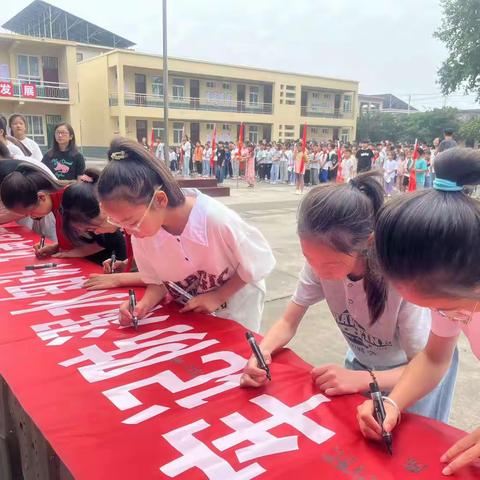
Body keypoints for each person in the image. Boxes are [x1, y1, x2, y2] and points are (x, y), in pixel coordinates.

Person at [241, 171, 457, 422]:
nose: (319, 271)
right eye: (309, 258)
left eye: (330, 265)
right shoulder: (319, 263)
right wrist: (262, 351)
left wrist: (361, 379)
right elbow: (288, 321)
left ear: (366, 243)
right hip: (363, 365)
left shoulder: (401, 282)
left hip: (411, 377)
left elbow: (425, 364)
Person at [357, 147, 480, 477]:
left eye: (447, 309)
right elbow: (435, 356)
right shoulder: (455, 288)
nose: (442, 316)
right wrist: (393, 403)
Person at [97, 137, 276, 331]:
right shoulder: (143, 234)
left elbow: (259, 261)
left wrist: (218, 296)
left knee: (237, 350)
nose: (128, 231)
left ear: (160, 200)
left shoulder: (214, 219)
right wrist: (142, 306)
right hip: (195, 308)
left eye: (131, 222)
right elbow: (159, 282)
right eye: (118, 223)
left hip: (237, 302)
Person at [0, 163, 99, 259]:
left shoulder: (73, 199)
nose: (32, 217)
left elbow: (104, 238)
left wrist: (74, 253)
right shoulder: (57, 201)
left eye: (31, 212)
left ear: (42, 197)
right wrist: (56, 247)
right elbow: (80, 239)